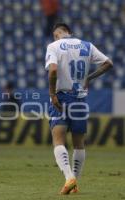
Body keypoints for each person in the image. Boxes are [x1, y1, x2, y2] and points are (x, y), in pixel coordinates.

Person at [45, 23, 113, 194]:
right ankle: (75, 183)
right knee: (79, 144)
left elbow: (52, 70)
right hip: (80, 99)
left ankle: (69, 178)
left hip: (61, 97)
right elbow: (108, 63)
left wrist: (52, 94)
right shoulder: (87, 45)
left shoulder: (54, 46)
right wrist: (89, 78)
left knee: (58, 140)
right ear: (70, 32)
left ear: (57, 34)